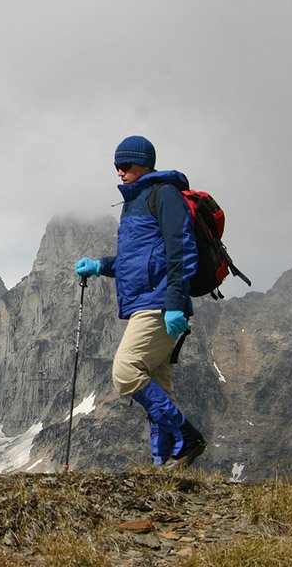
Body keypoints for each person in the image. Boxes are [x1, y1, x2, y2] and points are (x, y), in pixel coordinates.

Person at [74, 135, 207, 469]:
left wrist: (175, 302)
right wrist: (101, 266)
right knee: (159, 387)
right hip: (145, 304)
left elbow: (181, 251)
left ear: (144, 162)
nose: (119, 172)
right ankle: (165, 463)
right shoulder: (136, 203)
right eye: (116, 166)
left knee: (126, 372)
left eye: (125, 165)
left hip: (160, 305)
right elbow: (137, 261)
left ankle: (188, 437)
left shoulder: (165, 195)